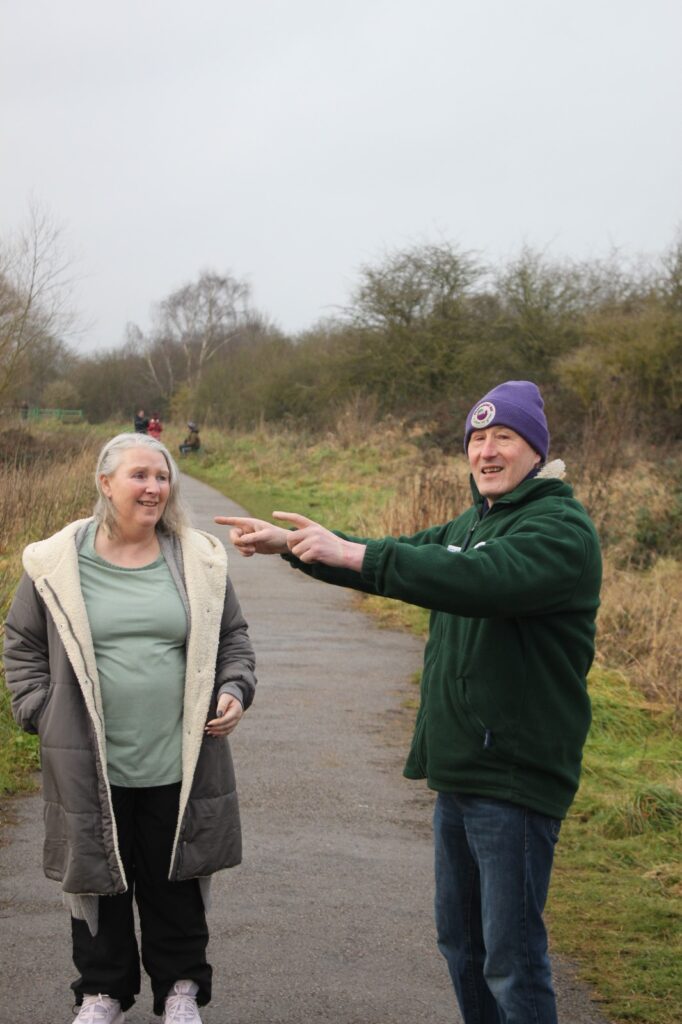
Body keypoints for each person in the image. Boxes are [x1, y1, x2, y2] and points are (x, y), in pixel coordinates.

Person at [216, 380, 602, 1024]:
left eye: (503, 438)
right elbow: (408, 559)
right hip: (463, 767)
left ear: (535, 449)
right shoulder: (477, 520)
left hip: (515, 774)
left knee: (512, 959)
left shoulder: (559, 529)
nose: (486, 452)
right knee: (463, 946)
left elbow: (474, 579)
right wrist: (300, 549)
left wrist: (354, 551)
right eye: (477, 440)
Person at [4, 432, 256, 1024]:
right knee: (97, 877)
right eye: (140, 475)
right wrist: (41, 711)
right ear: (105, 482)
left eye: (162, 476)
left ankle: (181, 991)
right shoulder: (55, 562)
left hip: (181, 757)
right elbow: (22, 644)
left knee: (176, 878)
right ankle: (102, 993)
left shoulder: (198, 558)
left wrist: (233, 688)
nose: (154, 488)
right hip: (87, 761)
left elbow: (234, 639)